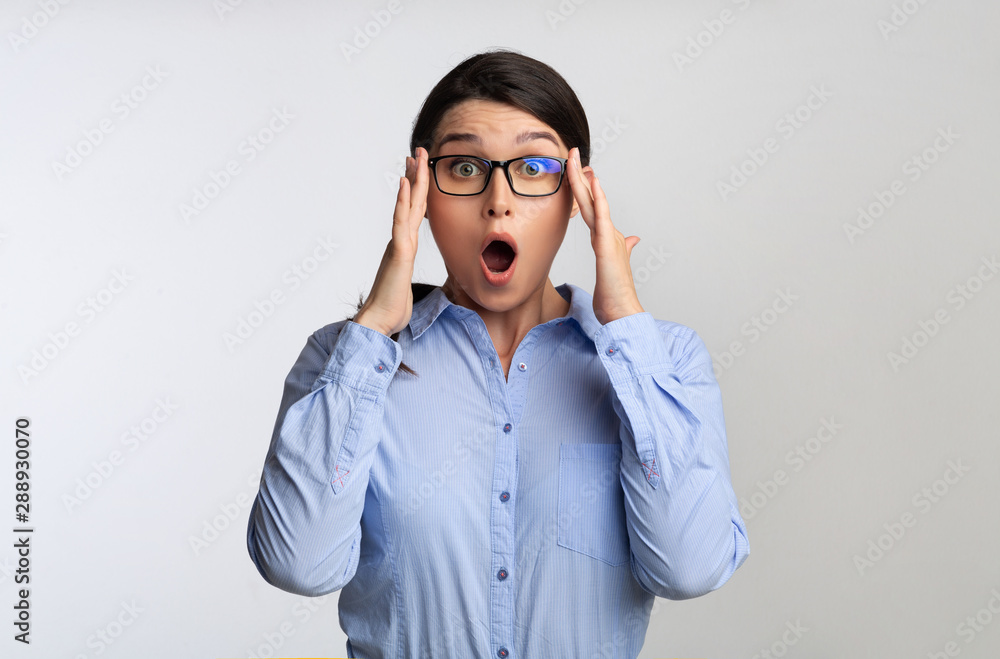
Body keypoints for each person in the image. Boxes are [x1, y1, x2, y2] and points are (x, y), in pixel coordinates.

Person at [246, 49, 750, 659]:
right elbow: (297, 564)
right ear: (419, 195)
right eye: (463, 168)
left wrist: (626, 329)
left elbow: (690, 569)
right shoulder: (343, 362)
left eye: (534, 167)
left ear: (579, 194)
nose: (498, 201)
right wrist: (375, 326)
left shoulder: (664, 361)